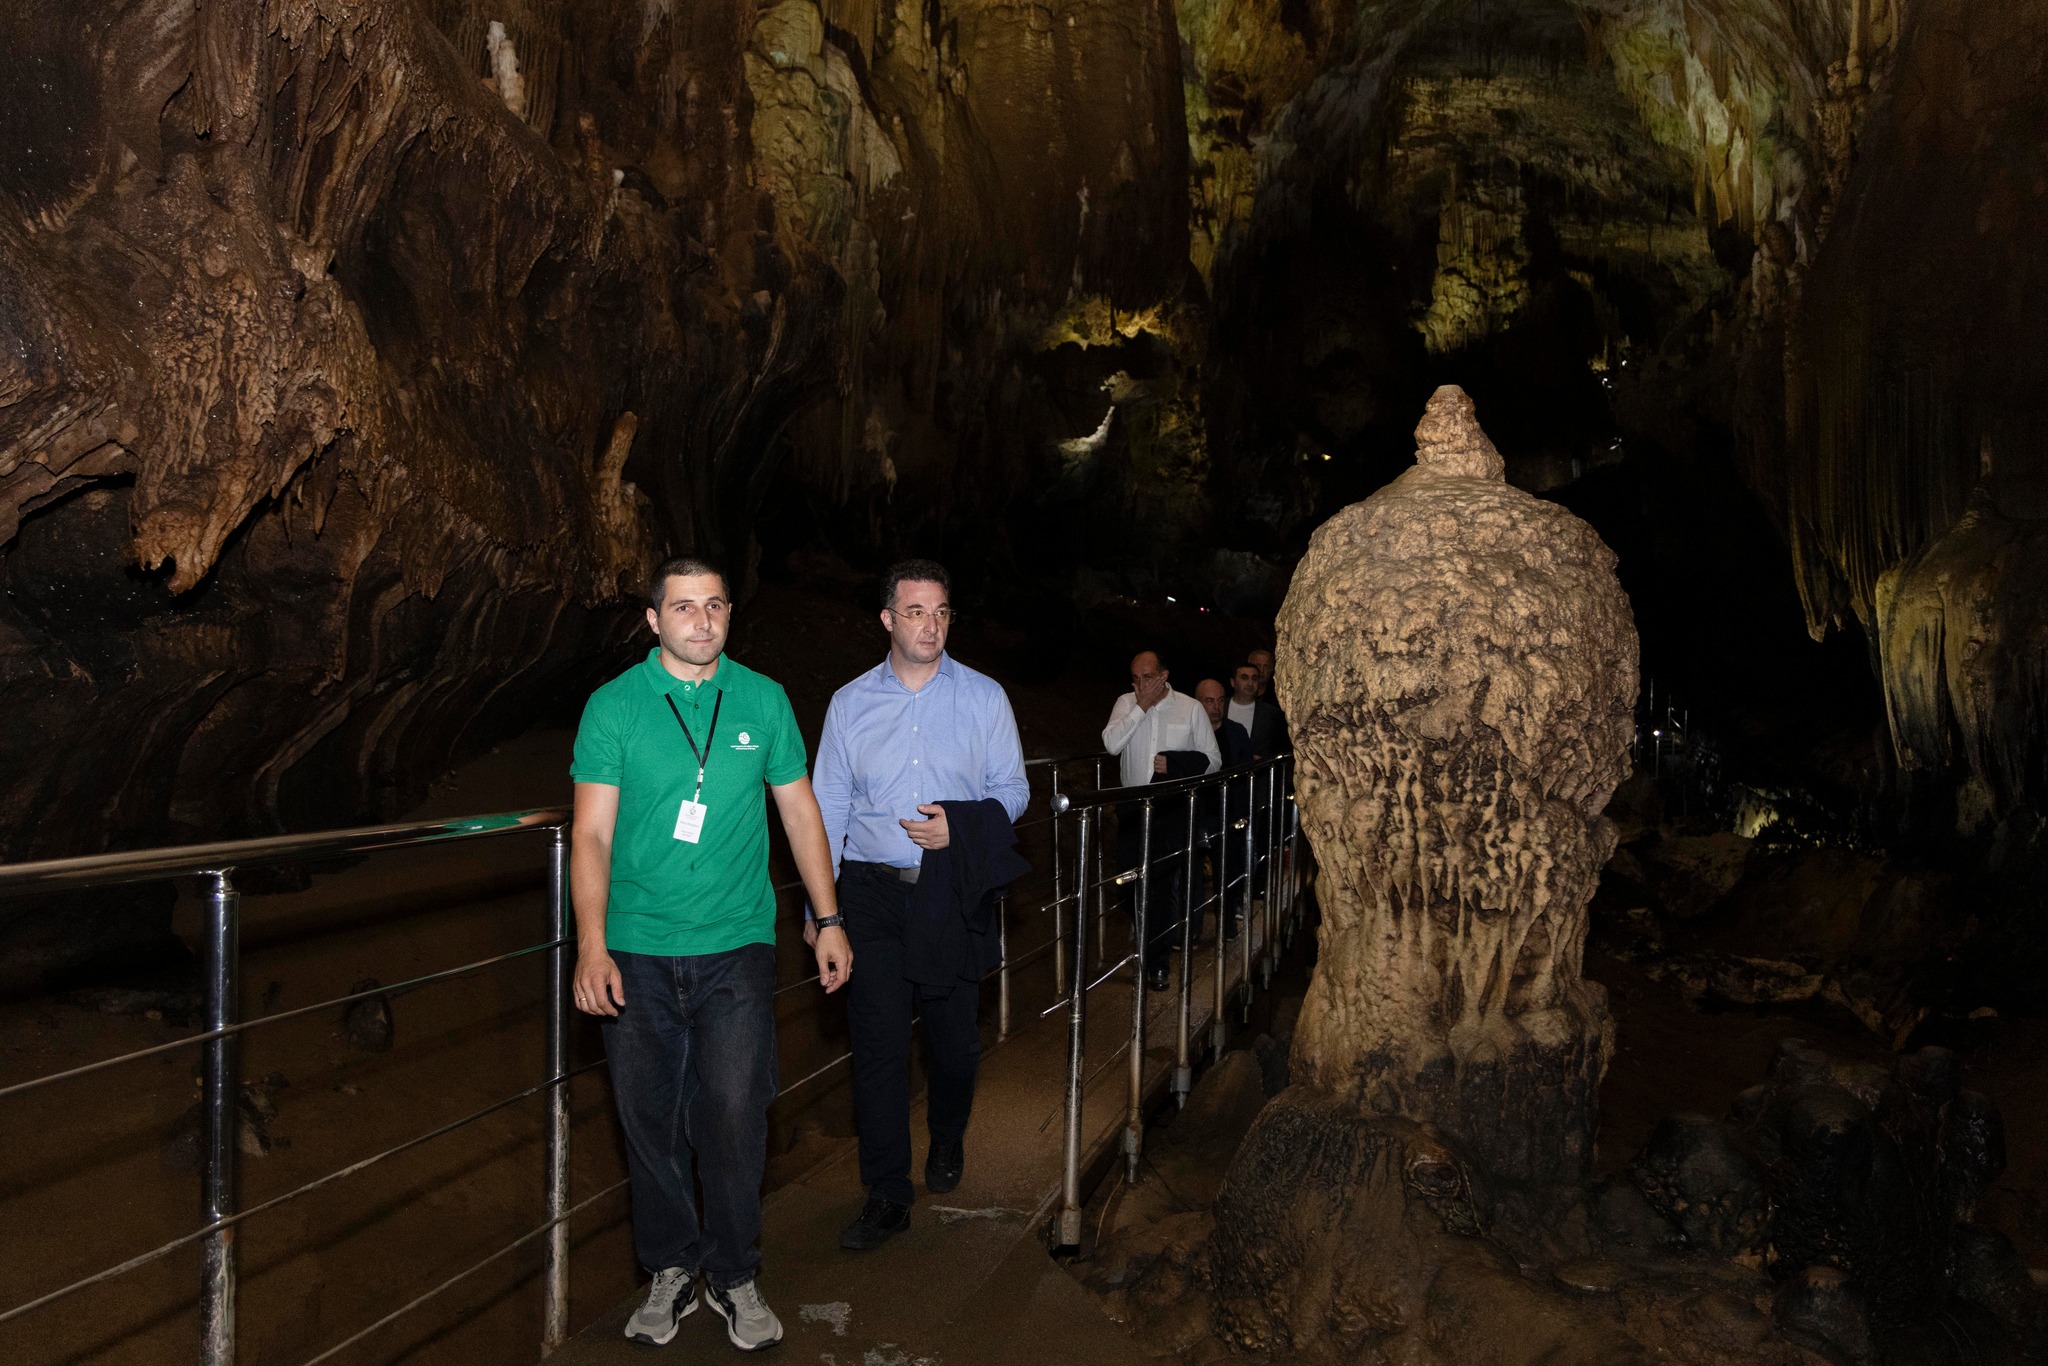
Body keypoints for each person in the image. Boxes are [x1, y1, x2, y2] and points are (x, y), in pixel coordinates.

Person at [570, 557, 851, 1351]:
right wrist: (591, 945)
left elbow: (799, 812)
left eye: (716, 605)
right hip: (638, 946)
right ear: (653, 619)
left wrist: (828, 917)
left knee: (734, 1111)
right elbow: (590, 834)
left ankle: (732, 1271)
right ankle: (671, 1266)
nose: (703, 621)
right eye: (685, 607)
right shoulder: (614, 706)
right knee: (649, 1117)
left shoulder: (762, 698)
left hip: (737, 942)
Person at [811, 559, 1030, 1252]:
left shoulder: (985, 697)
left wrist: (959, 828)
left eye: (940, 613)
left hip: (949, 890)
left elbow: (1013, 789)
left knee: (953, 1043)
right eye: (915, 612)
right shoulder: (849, 704)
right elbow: (827, 807)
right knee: (878, 1045)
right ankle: (887, 1191)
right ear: (887, 620)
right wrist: (823, 913)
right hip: (870, 892)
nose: (930, 625)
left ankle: (947, 1135)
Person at [1102, 651, 1219, 989]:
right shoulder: (1126, 703)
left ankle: (1157, 963)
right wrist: (1140, 707)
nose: (1141, 684)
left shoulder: (1190, 708)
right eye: (1136, 678)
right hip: (1132, 808)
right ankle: (1144, 933)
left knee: (1163, 888)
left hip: (1171, 809)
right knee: (1127, 882)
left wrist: (1178, 764)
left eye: (1148, 677)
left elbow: (1213, 760)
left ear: (1164, 675)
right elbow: (1111, 745)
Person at [1227, 663, 1286, 759]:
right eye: (1244, 678)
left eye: (1254, 679)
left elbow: (1281, 749)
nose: (1250, 683)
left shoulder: (1271, 714)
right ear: (1233, 682)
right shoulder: (1221, 707)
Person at [1197, 677, 1252, 769]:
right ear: (1197, 703)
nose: (1217, 706)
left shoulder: (1237, 732)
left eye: (1221, 700)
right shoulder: (1190, 731)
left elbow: (1246, 767)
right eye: (1210, 701)